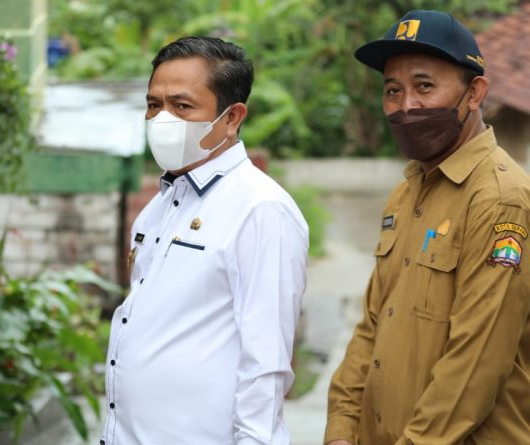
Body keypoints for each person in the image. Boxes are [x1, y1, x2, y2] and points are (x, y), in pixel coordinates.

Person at [325, 10, 530, 445]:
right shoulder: (406, 194)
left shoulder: (500, 198)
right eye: (393, 90)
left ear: (474, 93)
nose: (406, 106)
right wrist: (342, 428)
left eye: (424, 86)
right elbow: (372, 325)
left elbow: (477, 361)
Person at [101, 36, 309, 445]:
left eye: (182, 106)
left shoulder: (260, 209)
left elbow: (266, 363)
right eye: (154, 105)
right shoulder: (159, 206)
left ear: (232, 118)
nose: (162, 119)